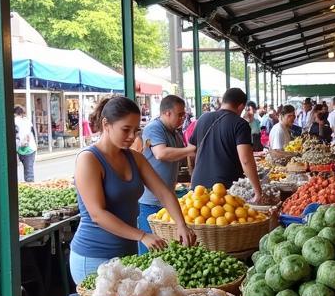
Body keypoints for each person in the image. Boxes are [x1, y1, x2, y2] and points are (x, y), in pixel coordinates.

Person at [71, 96, 194, 283]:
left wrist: (181, 225)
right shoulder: (89, 159)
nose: (132, 137)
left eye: (136, 130)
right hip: (94, 255)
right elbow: (97, 214)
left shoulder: (134, 158)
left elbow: (164, 192)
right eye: (125, 129)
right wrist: (142, 235)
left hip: (127, 253)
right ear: (106, 124)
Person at [137, 94, 195, 247]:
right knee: (151, 250)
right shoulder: (153, 128)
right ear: (167, 113)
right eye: (180, 114)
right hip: (150, 202)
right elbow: (161, 153)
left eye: (184, 114)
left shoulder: (175, 133)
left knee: (166, 249)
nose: (183, 118)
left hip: (167, 200)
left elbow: (181, 155)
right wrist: (189, 150)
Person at [189, 87, 263, 200]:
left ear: (223, 101)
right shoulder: (240, 124)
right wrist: (258, 191)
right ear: (241, 106)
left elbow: (191, 151)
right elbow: (246, 160)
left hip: (198, 187)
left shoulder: (203, 118)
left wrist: (193, 175)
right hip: (224, 189)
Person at [13, 105, 38, 182]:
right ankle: (30, 186)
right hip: (30, 148)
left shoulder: (14, 121)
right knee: (29, 171)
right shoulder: (28, 121)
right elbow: (33, 133)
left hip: (18, 148)